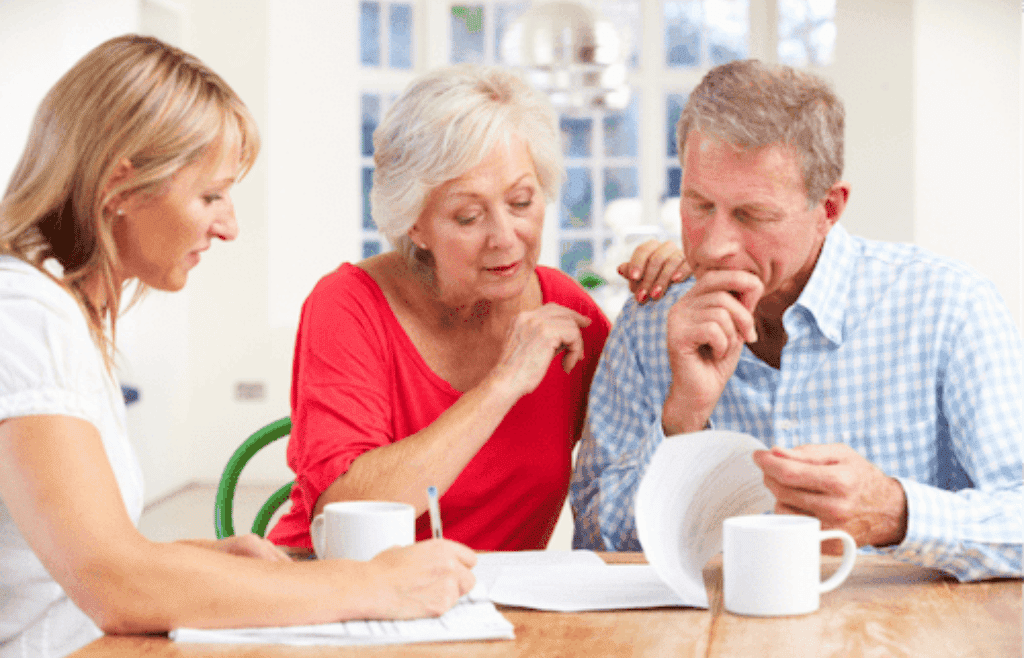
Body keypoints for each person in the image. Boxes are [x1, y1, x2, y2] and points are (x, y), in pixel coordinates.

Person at [0, 35, 476, 658]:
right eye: (210, 195)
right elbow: (111, 584)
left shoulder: (53, 311)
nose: (228, 226)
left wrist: (193, 561)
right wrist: (369, 583)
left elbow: (62, 561)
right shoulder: (25, 317)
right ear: (122, 184)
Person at [570, 59, 1022, 581]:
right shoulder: (651, 321)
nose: (715, 246)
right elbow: (596, 544)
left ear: (829, 207)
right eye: (699, 205)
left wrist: (898, 514)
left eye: (752, 215)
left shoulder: (948, 307)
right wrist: (681, 420)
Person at [267, 65, 688, 552]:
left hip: (496, 608)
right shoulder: (349, 304)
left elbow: (642, 452)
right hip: (339, 586)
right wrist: (503, 384)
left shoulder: (566, 309)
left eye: (522, 202)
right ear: (413, 225)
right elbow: (347, 507)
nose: (505, 237)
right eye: (468, 216)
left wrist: (679, 285)